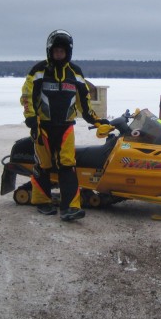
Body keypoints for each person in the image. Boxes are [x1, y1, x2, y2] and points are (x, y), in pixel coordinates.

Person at [20, 29, 108, 221]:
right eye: (56, 51)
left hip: (66, 126)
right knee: (44, 164)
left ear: (68, 52)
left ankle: (70, 207)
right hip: (43, 125)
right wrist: (31, 120)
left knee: (68, 164)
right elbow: (28, 97)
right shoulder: (38, 71)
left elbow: (83, 102)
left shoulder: (75, 73)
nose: (59, 54)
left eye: (62, 51)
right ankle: (42, 201)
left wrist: (97, 120)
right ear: (50, 51)